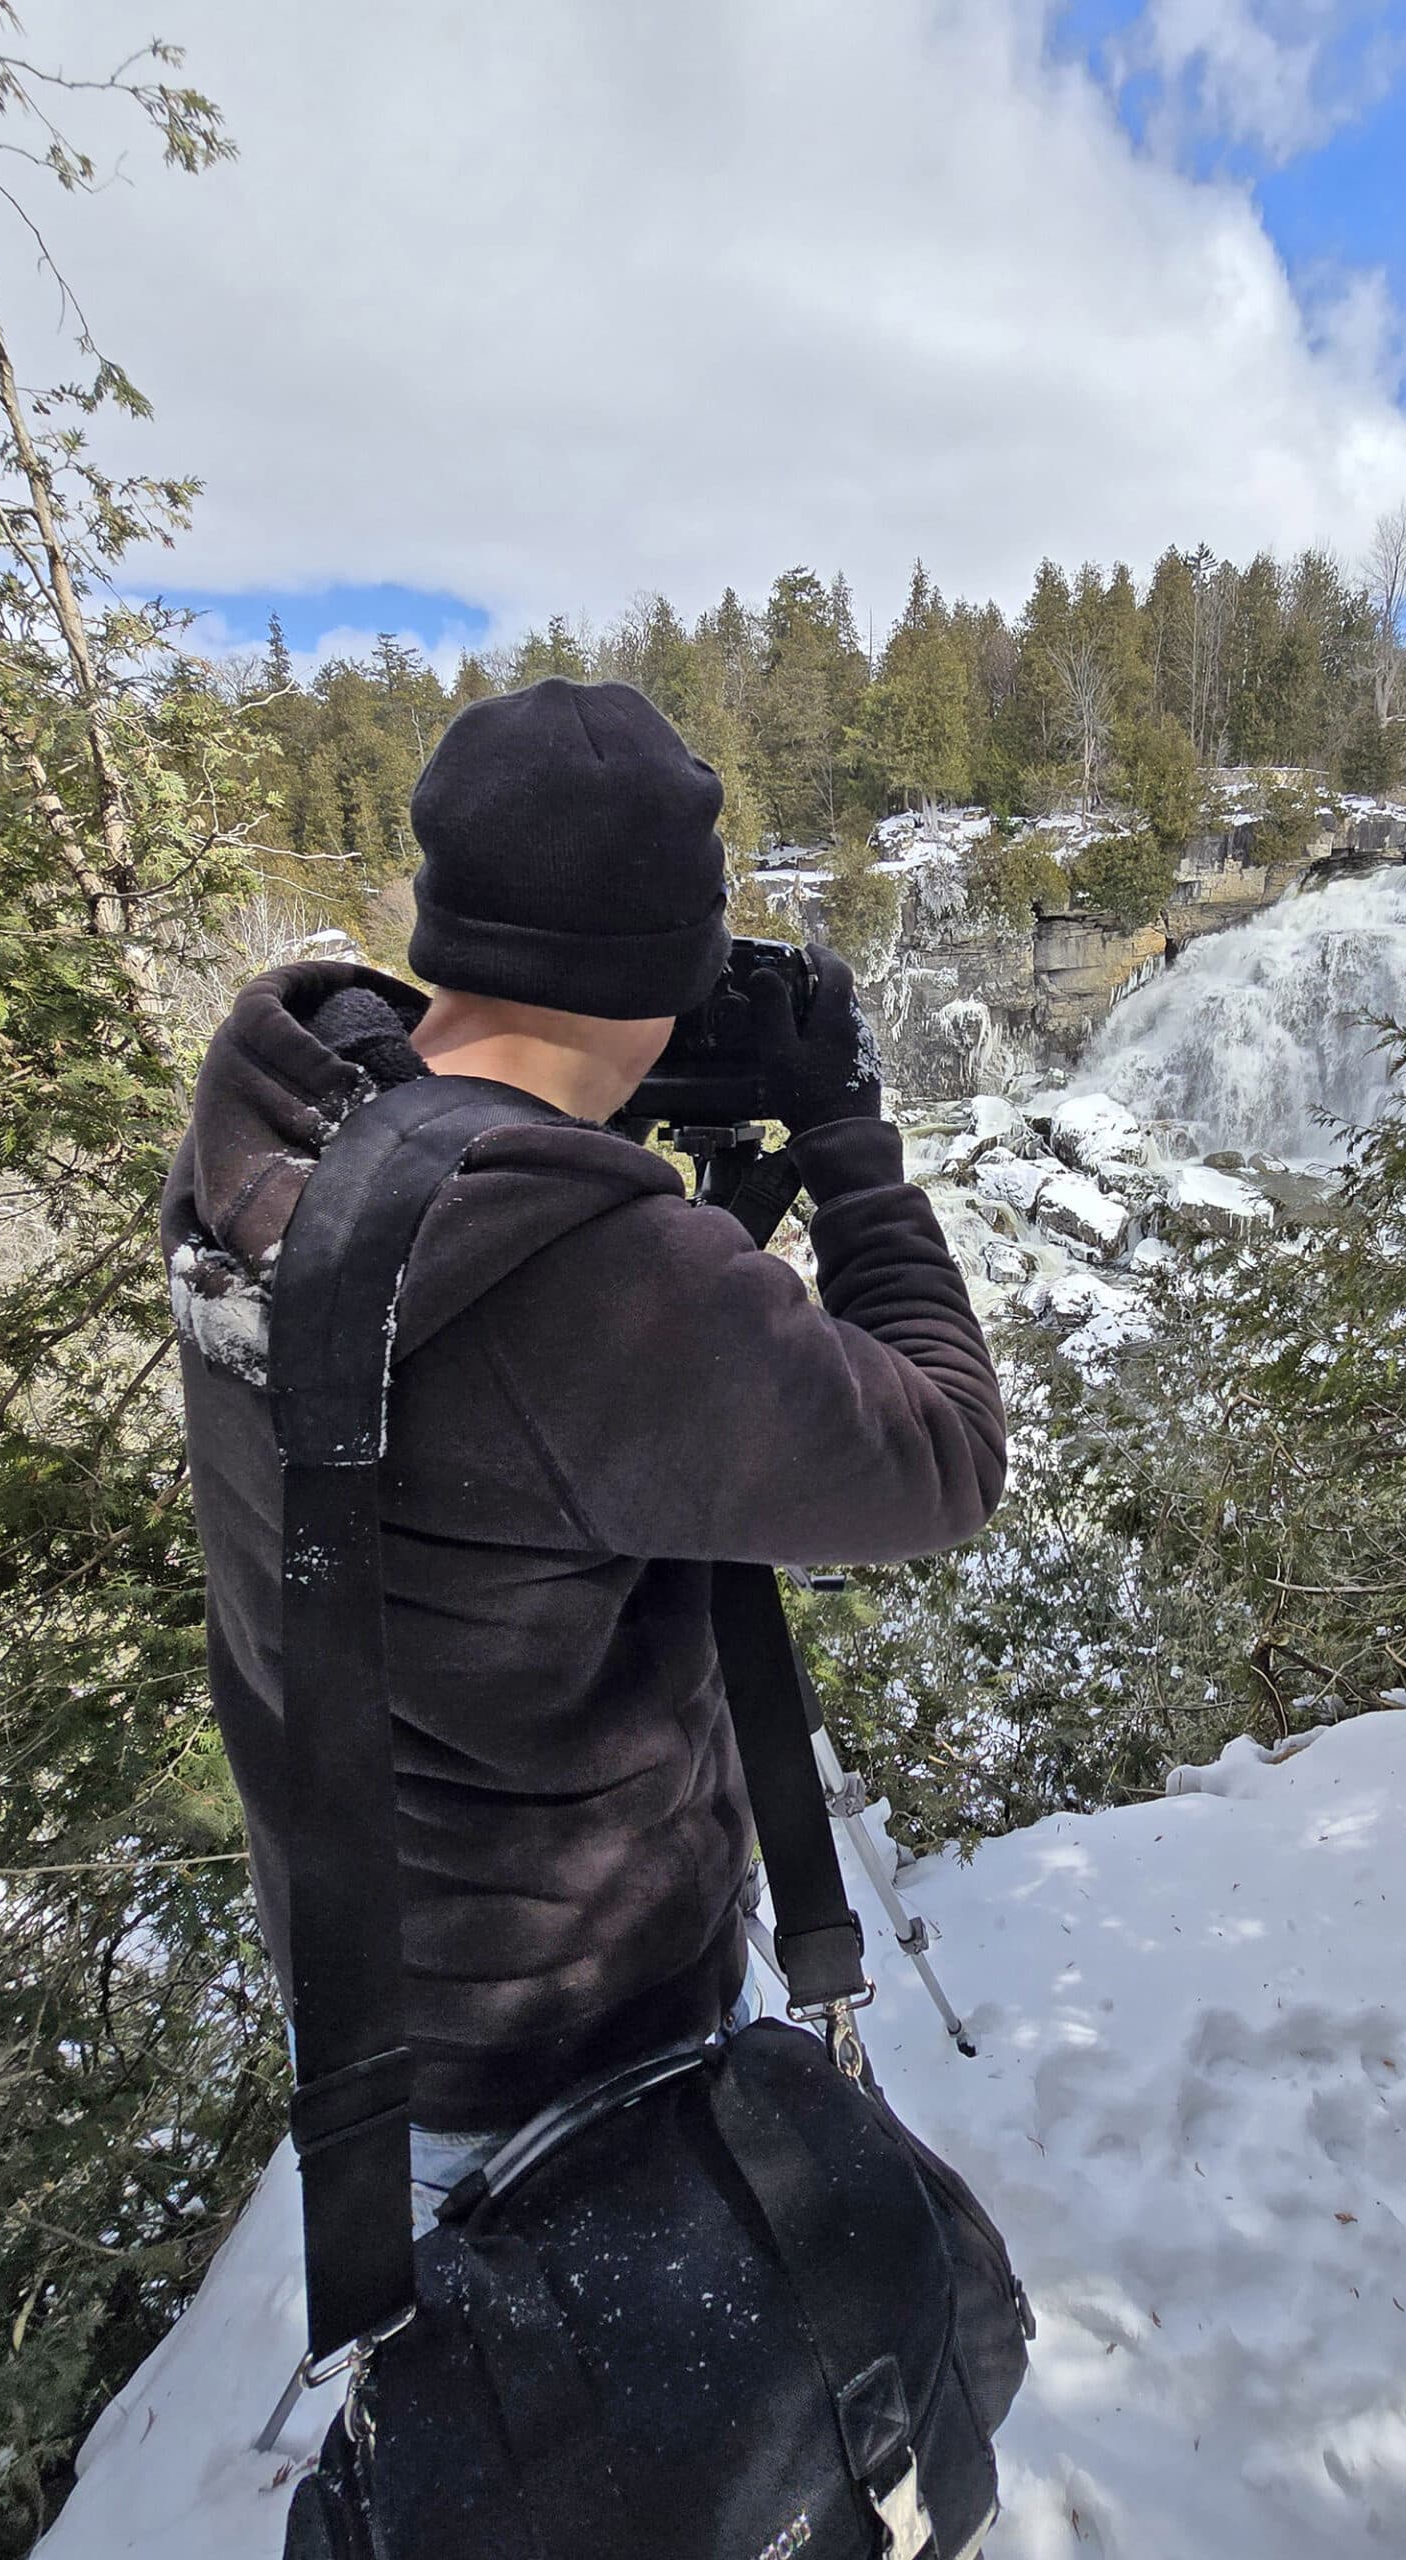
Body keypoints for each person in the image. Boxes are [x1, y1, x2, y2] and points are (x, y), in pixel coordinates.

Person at [163, 677, 1006, 2231]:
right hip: (572, 2048)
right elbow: (945, 1453)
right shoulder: (597, 1277)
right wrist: (852, 1153)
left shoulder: (284, 1128)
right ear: (674, 969)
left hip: (360, 1978)